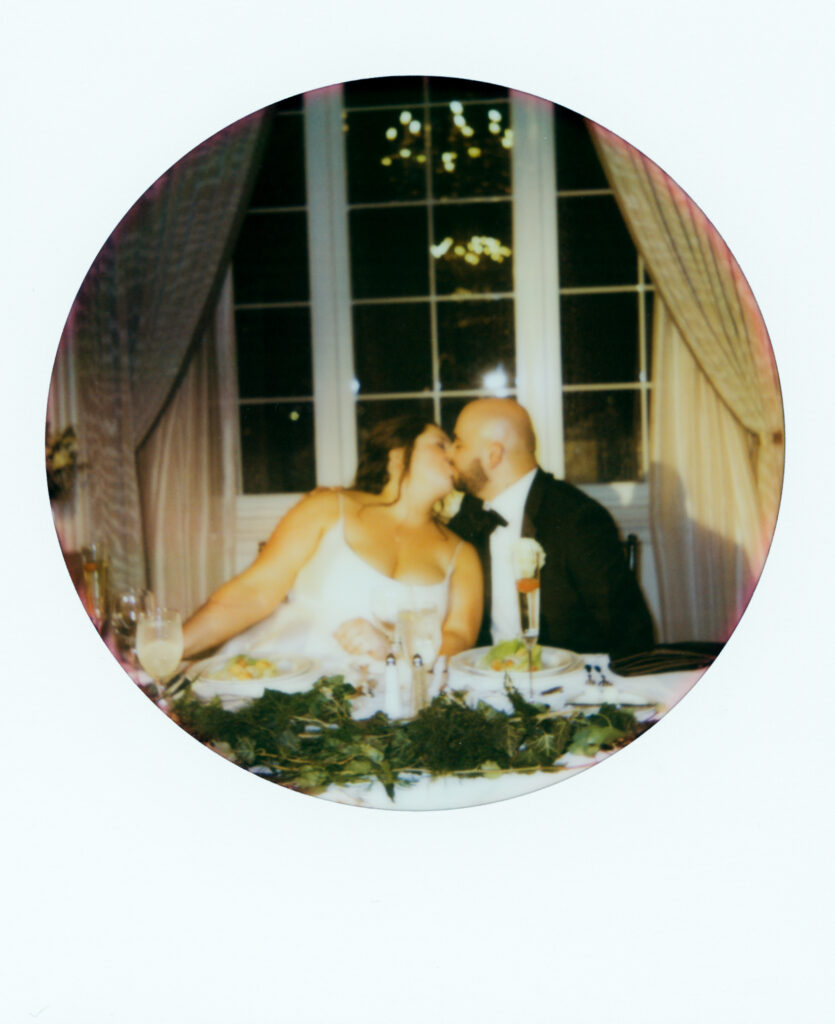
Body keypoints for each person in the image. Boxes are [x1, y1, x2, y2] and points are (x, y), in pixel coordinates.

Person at [182, 416, 483, 666]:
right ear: (396, 455)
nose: (453, 455)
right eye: (440, 444)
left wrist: (395, 652)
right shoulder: (327, 507)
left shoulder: (461, 553)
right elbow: (254, 592)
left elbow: (459, 637)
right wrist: (172, 648)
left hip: (395, 698)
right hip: (289, 675)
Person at [446, 398, 654, 658]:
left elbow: (630, 633)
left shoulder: (577, 518)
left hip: (565, 676)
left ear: (493, 455)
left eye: (459, 444)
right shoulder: (470, 514)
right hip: (488, 674)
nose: (450, 454)